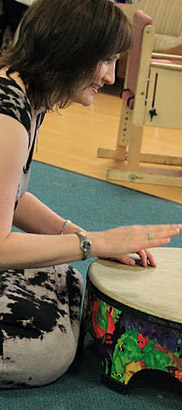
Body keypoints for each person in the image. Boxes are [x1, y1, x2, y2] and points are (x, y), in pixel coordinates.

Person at [0, 0, 180, 389]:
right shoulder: (6, 118)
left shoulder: (28, 96)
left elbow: (10, 197)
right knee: (46, 348)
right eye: (106, 60)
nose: (112, 77)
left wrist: (78, 236)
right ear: (71, 48)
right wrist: (91, 242)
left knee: (67, 281)